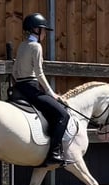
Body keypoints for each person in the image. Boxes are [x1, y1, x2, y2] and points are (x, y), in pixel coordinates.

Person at [12, 13, 73, 166]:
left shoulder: (22, 45)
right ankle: (53, 153)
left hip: (19, 87)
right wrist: (51, 93)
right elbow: (39, 72)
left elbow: (14, 71)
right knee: (63, 115)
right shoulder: (36, 46)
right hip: (31, 88)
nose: (45, 34)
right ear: (35, 30)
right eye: (43, 30)